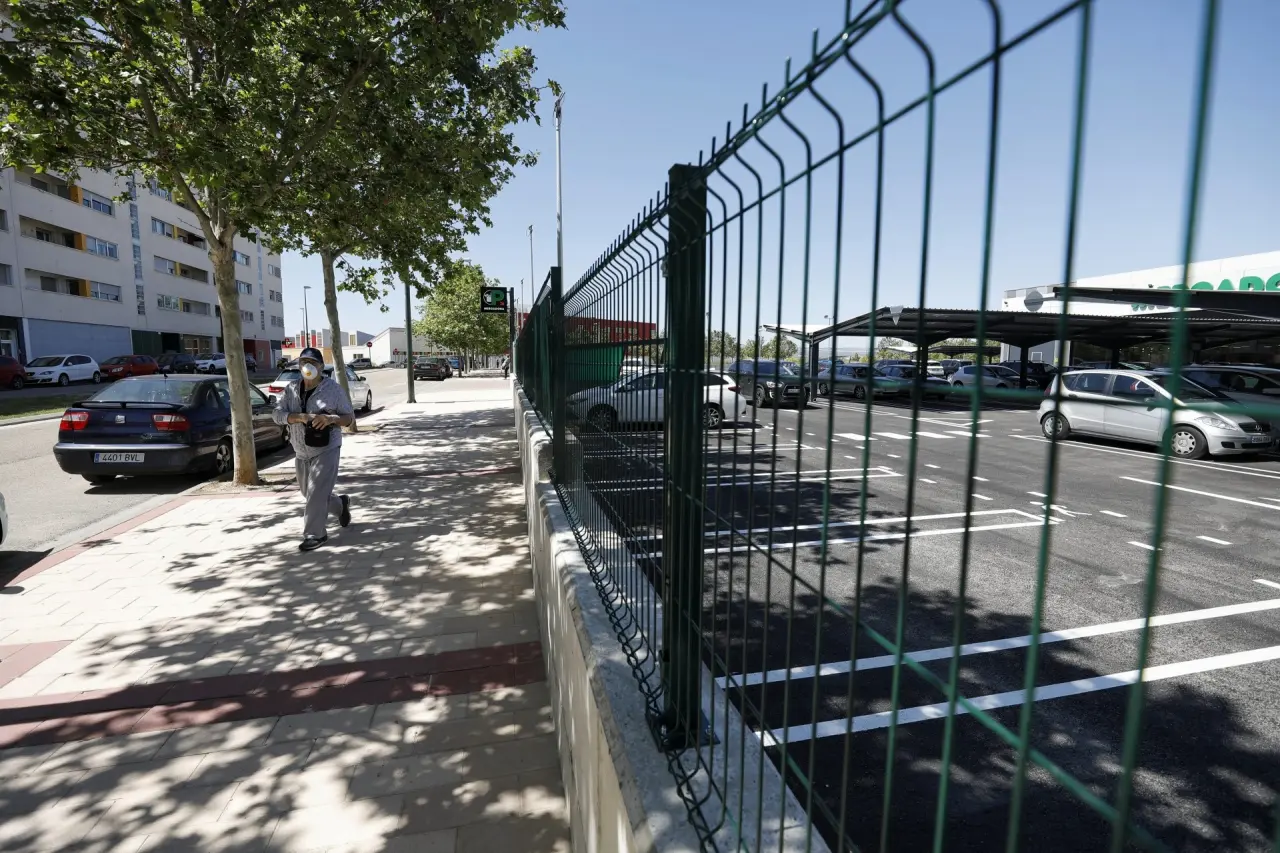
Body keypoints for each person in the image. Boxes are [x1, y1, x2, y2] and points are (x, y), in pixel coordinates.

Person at [272, 347, 354, 551]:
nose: (307, 366)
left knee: (316, 493)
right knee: (309, 493)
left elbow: (349, 418)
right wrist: (297, 417)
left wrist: (330, 419)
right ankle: (340, 505)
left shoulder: (333, 389)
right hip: (300, 450)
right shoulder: (291, 389)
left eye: (312, 363)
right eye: (303, 362)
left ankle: (315, 534)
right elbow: (276, 414)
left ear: (321, 366)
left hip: (327, 448)